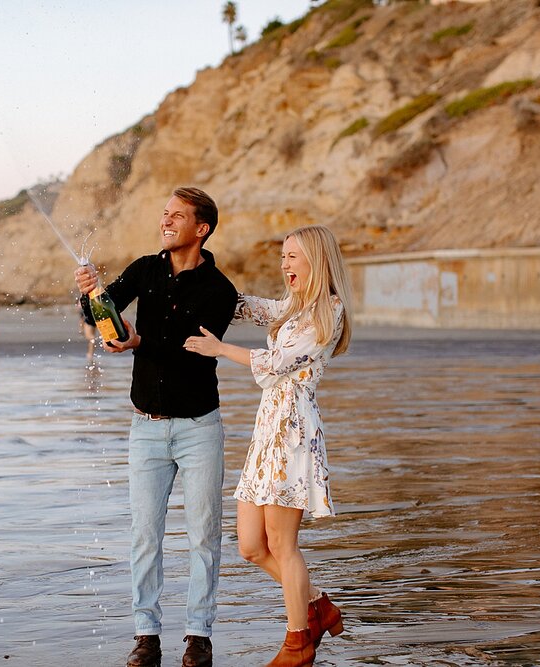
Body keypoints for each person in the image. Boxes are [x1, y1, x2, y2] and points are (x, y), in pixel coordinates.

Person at [74, 187, 238, 667]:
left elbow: (194, 349)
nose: (165, 221)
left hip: (199, 428)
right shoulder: (144, 268)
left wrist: (138, 339)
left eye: (176, 216)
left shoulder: (219, 291)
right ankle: (146, 634)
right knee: (145, 534)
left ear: (201, 228)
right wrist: (92, 294)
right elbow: (98, 316)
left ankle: (198, 635)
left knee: (204, 534)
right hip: (144, 427)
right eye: (164, 214)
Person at [183, 225, 352, 667]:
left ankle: (298, 643)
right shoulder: (294, 307)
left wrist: (218, 348)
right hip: (267, 431)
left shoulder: (327, 311)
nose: (284, 264)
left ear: (316, 259)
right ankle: (318, 605)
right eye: (283, 257)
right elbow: (254, 307)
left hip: (294, 434)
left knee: (282, 544)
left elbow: (276, 362)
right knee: (251, 545)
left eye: (293, 257)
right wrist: (209, 281)